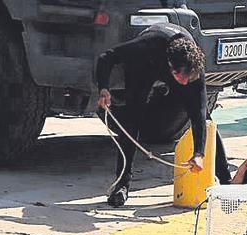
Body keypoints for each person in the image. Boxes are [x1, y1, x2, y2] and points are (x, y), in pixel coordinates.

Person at [96, 23, 232, 207]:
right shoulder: (145, 48)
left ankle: (227, 182)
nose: (184, 82)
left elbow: (198, 115)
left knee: (206, 119)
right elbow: (106, 57)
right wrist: (103, 88)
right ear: (171, 67)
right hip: (148, 64)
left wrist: (198, 153)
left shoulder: (194, 69)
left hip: (179, 62)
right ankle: (122, 184)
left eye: (188, 79)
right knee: (132, 117)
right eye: (180, 77)